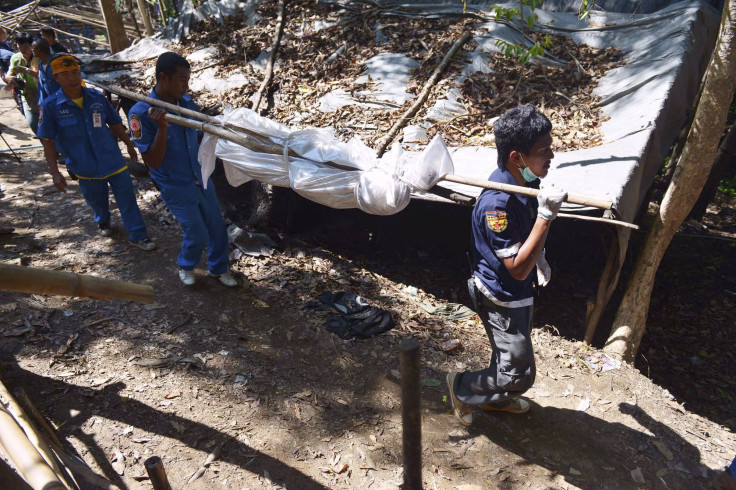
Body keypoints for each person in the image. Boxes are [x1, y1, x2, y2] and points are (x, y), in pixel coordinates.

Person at [446, 105, 567, 426]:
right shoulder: (497, 204)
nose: (551, 156)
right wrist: (547, 217)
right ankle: (460, 386)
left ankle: (494, 400)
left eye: (550, 147)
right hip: (500, 294)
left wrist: (539, 255)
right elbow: (516, 267)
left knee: (508, 355)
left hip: (517, 291)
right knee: (518, 375)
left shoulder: (526, 183)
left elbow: (525, 235)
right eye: (544, 151)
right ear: (517, 157)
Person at [128, 52, 237, 287]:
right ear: (164, 78)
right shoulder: (140, 113)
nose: (186, 86)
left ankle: (218, 268)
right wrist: (162, 128)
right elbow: (153, 161)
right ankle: (186, 264)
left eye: (188, 80)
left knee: (217, 227)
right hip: (174, 183)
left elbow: (198, 135)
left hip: (199, 176)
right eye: (182, 80)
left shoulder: (185, 102)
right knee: (196, 231)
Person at [37, 54, 155, 251]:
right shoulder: (50, 106)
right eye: (65, 74)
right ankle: (103, 219)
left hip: (112, 160)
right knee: (96, 200)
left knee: (127, 199)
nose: (72, 78)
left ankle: (138, 235)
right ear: (55, 78)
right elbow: (47, 141)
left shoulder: (97, 97)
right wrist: (54, 172)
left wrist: (128, 143)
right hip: (84, 166)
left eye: (75, 72)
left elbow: (115, 122)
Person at [7, 33, 39, 134]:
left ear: (31, 45)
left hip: (42, 94)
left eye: (25, 46)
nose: (22, 48)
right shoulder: (15, 58)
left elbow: (41, 76)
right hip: (27, 95)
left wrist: (26, 70)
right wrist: (9, 78)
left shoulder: (38, 58)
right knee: (32, 122)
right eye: (19, 45)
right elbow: (10, 72)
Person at [32, 38, 60, 104]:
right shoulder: (40, 64)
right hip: (50, 101)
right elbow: (42, 85)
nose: (32, 50)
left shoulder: (56, 63)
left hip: (61, 99)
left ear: (38, 50)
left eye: (33, 48)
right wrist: (41, 103)